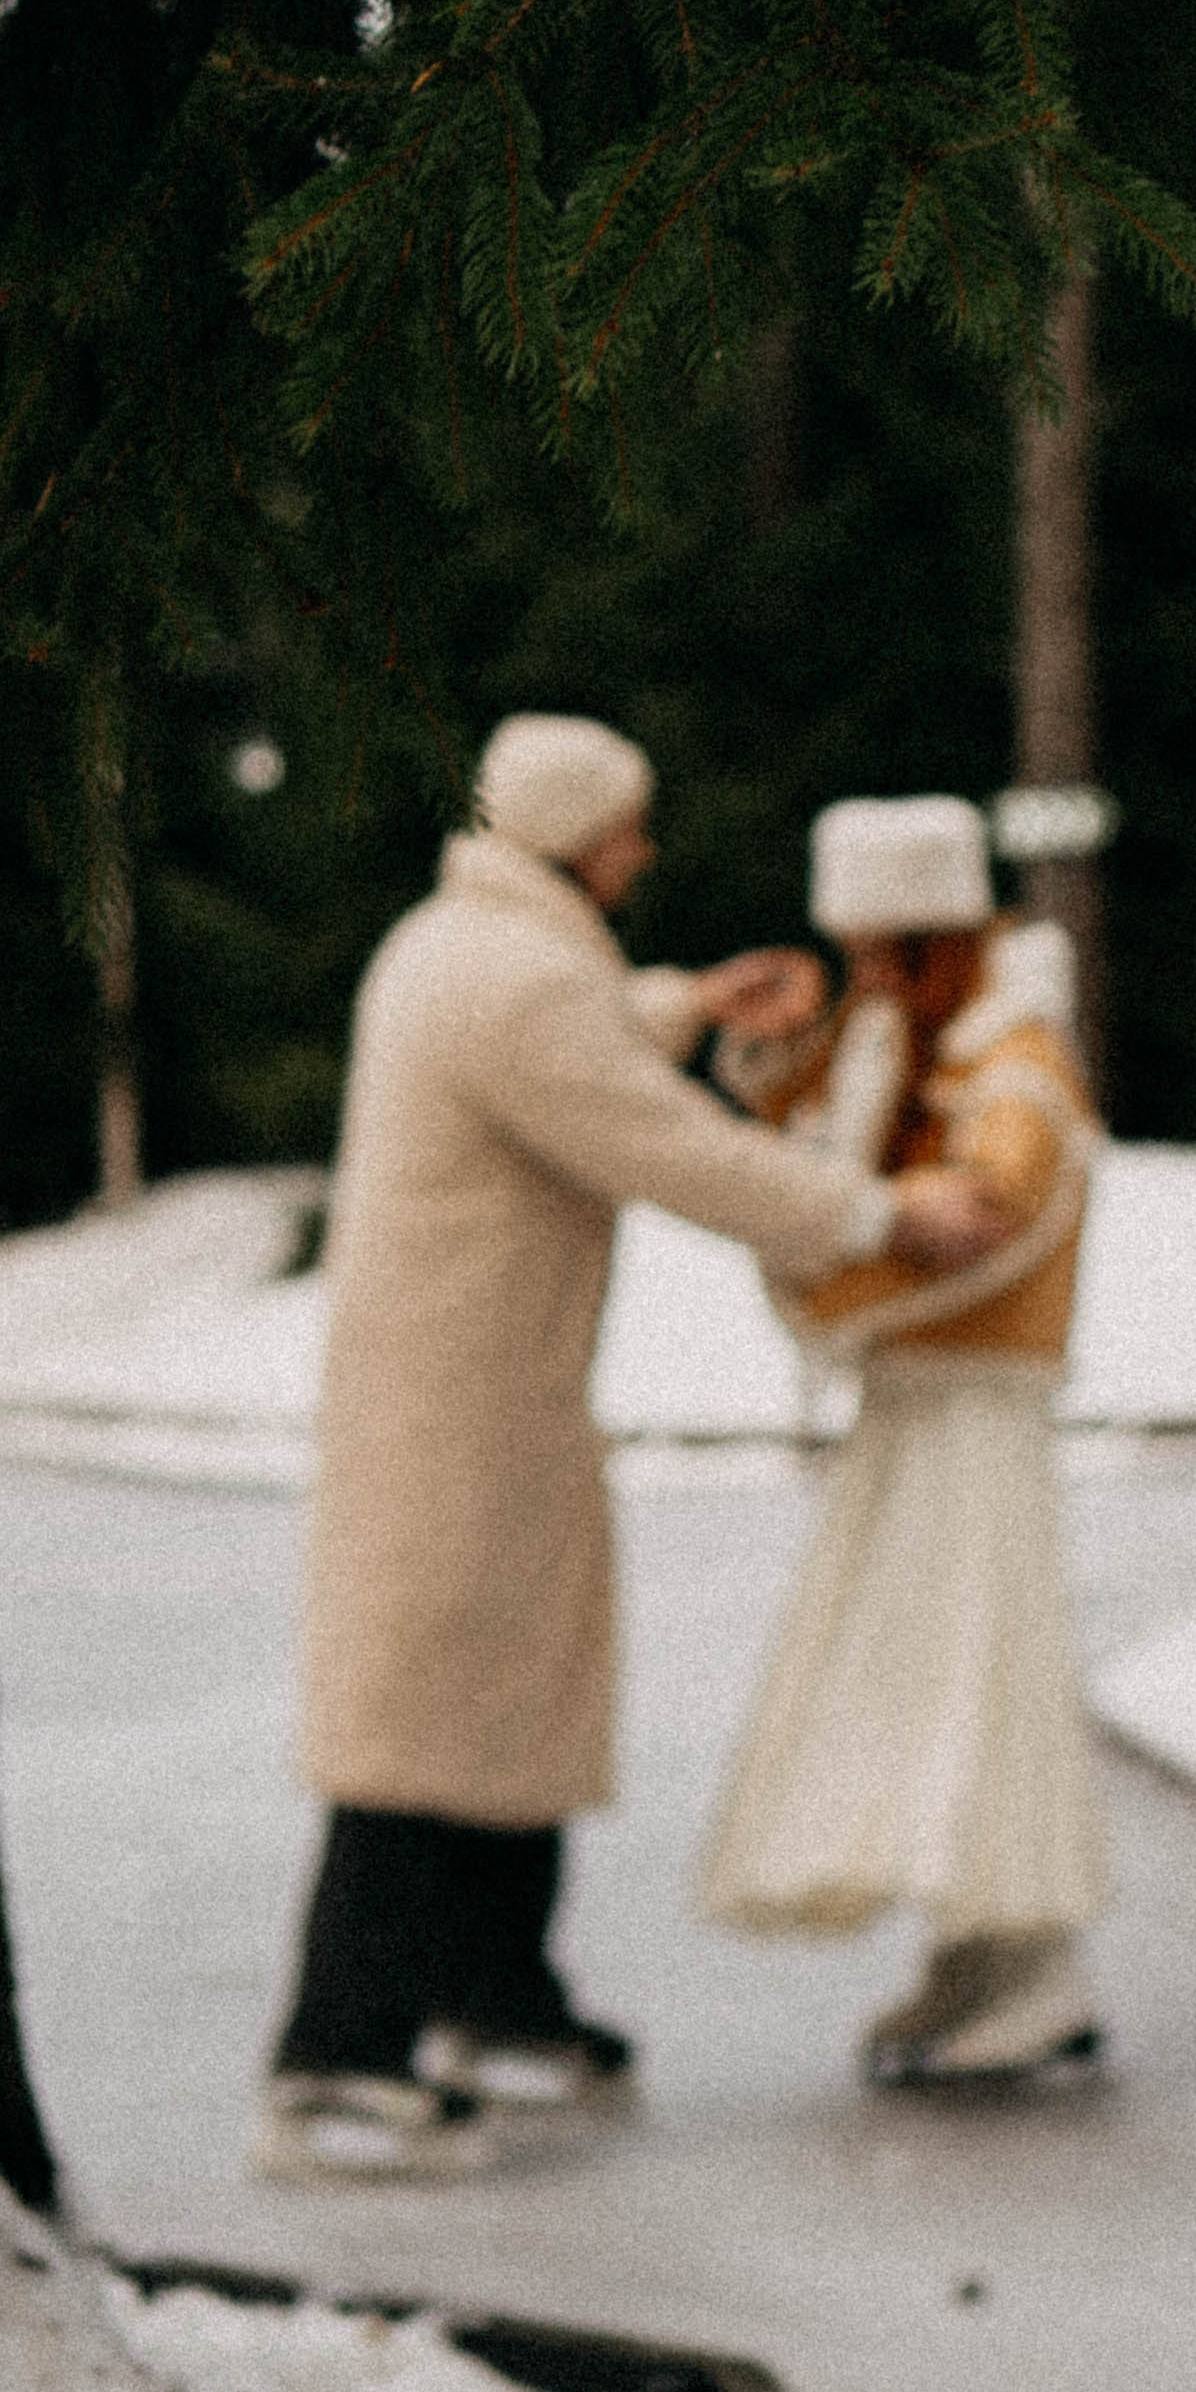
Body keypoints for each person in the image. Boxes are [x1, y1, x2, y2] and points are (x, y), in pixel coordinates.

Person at [258, 717, 1005, 2183]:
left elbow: (583, 1033)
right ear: (571, 834)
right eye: (628, 827)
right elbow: (668, 1147)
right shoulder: (515, 979)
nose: (645, 851)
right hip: (454, 1407)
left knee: (511, 1692)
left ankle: (497, 1998)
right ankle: (335, 2053)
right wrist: (878, 1216)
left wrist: (687, 997)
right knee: (421, 1718)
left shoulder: (472, 944)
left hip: (483, 1393)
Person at [697, 794, 1110, 2088]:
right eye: (858, 953)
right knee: (917, 1676)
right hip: (914, 1405)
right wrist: (778, 1068)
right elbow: (816, 1144)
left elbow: (987, 1209)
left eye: (892, 952)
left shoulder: (1014, 1061)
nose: (869, 980)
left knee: (985, 1671)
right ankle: (976, 1942)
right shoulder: (905, 1039)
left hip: (975, 1411)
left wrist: (844, 1268)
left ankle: (1037, 1962)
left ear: (947, 938)